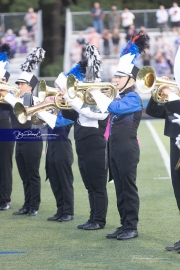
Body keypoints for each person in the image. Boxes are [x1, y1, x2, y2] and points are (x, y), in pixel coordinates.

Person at [89, 33, 148, 240]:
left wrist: (98, 94)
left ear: (130, 79)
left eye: (119, 77)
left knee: (128, 188)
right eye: (115, 76)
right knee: (120, 189)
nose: (115, 80)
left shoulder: (133, 98)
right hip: (114, 148)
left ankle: (132, 226)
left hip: (127, 149)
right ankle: (124, 225)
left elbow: (114, 107)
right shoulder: (121, 95)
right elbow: (105, 111)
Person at [56, 44, 109, 230]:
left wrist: (72, 99)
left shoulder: (103, 93)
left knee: (97, 185)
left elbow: (94, 114)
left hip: (95, 143)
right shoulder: (85, 95)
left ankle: (99, 220)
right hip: (82, 142)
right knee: (89, 185)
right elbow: (78, 115)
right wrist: (63, 100)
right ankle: (92, 217)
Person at [0, 47, 45, 217]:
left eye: (21, 83)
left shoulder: (33, 99)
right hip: (20, 139)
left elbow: (23, 109)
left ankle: (34, 206)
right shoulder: (17, 98)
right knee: (24, 175)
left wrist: (6, 93)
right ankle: (27, 205)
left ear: (30, 86)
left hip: (32, 139)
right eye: (18, 83)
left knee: (32, 174)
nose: (18, 85)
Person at [146, 47, 180, 252]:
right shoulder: (171, 99)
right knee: (178, 192)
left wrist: (172, 93)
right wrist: (156, 91)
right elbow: (151, 111)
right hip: (174, 143)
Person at [45, 111, 75, 222]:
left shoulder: (69, 112)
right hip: (51, 146)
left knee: (65, 182)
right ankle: (60, 210)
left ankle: (68, 212)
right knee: (54, 181)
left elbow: (58, 123)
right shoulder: (53, 111)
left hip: (62, 148)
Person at [0, 44, 14, 211]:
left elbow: (15, 108)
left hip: (4, 127)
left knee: (4, 164)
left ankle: (5, 198)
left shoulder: (10, 92)